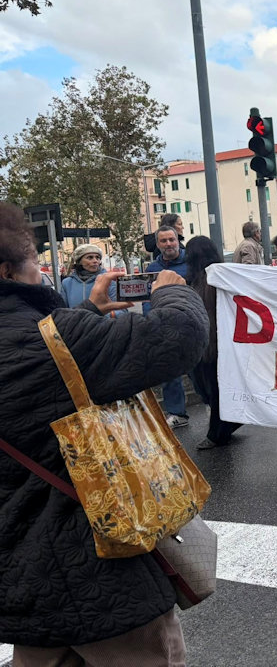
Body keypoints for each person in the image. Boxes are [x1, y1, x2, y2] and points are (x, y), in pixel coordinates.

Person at [0, 202, 207, 664]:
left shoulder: (52, 336)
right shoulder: (55, 337)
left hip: (17, 574)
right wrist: (172, 292)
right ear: (9, 271)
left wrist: (88, 313)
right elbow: (177, 338)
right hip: (99, 567)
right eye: (35, 260)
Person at [186, 236, 244, 450]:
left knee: (216, 390)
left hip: (214, 343)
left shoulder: (213, 277)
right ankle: (226, 424)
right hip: (211, 342)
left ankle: (217, 433)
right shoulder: (201, 278)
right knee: (210, 389)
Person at [147, 226, 192, 429]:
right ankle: (177, 413)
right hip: (165, 326)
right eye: (163, 241)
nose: (168, 244)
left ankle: (213, 407)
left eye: (171, 240)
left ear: (178, 240)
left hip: (191, 324)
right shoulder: (152, 269)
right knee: (169, 371)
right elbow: (148, 297)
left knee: (198, 370)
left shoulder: (191, 263)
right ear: (158, 244)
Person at [60, 243, 120, 310]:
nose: (95, 261)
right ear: (79, 261)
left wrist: (104, 315)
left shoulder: (109, 281)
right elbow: (63, 311)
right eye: (90, 257)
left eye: (97, 257)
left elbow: (120, 310)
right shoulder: (67, 283)